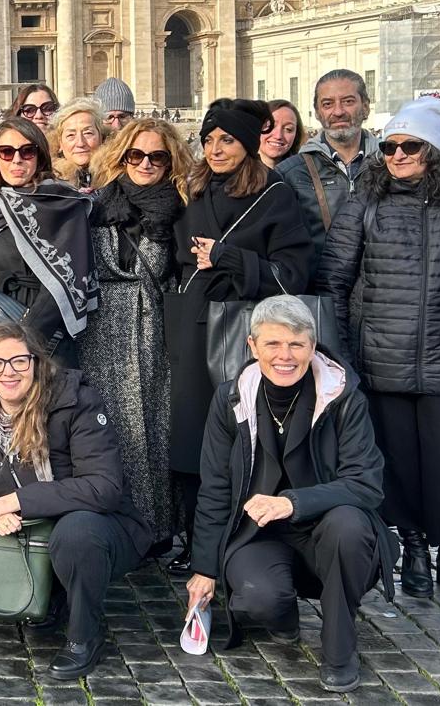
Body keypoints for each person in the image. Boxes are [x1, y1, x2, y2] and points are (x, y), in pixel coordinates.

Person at [320, 97, 440, 606]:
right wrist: (344, 350)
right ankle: (412, 544)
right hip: (382, 357)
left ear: (433, 150)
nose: (397, 155)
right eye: (389, 147)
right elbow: (334, 279)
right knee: (398, 462)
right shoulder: (365, 203)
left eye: (409, 146)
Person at [186, 296, 393, 694]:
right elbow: (214, 488)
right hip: (257, 535)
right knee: (255, 600)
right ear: (252, 347)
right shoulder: (230, 398)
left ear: (313, 347)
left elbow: (366, 483)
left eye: (297, 345)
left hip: (327, 532)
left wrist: (292, 502)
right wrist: (205, 567)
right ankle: (283, 616)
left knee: (349, 524)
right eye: (273, 344)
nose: (286, 355)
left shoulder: (344, 396)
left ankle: (339, 650)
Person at [0, 323, 151, 681]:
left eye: (19, 361)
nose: (8, 372)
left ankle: (85, 636)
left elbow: (104, 486)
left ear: (36, 362)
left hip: (101, 525)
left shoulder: (75, 401)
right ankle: (49, 593)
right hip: (28, 530)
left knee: (76, 534)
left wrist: (17, 501)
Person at [165, 99, 313, 573]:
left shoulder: (275, 195)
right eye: (208, 140)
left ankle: (245, 535)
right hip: (190, 327)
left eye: (225, 139)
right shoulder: (192, 189)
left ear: (247, 144)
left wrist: (228, 257)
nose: (214, 149)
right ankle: (195, 536)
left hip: (245, 332)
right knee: (191, 436)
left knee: (245, 434)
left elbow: (293, 274)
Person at [79, 118, 192, 549]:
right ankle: (114, 522)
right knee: (109, 427)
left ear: (170, 161)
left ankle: (159, 526)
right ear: (121, 156)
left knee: (156, 428)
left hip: (154, 330)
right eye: (136, 155)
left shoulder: (179, 207)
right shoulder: (96, 204)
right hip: (101, 328)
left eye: (157, 156)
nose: (146, 163)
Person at [0, 118, 98, 371]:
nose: (16, 160)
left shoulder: (64, 205)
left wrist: (21, 341)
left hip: (43, 340)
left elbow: (69, 280)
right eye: (6, 152)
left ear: (39, 156)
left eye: (27, 151)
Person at [276, 70, 380, 266]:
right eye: (328, 104)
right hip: (319, 289)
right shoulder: (290, 173)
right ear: (317, 113)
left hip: (380, 288)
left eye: (348, 101)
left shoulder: (391, 166)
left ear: (365, 107)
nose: (338, 111)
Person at [50, 100, 106, 190]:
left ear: (101, 137)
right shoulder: (49, 183)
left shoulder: (118, 176)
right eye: (71, 135)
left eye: (88, 133)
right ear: (60, 143)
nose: (80, 143)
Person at [260, 99, 303, 168]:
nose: (278, 136)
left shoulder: (305, 174)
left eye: (288, 129)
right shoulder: (238, 172)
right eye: (270, 126)